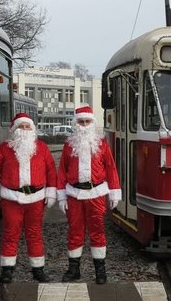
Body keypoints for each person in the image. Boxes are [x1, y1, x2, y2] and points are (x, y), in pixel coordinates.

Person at [0, 113, 57, 283]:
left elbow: (51, 170)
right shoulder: (5, 148)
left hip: (36, 198)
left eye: (27, 127)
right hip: (11, 199)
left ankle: (38, 269)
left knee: (35, 233)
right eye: (21, 127)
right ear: (14, 129)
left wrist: (51, 191)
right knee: (11, 233)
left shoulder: (41, 147)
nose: (24, 130)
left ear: (32, 129)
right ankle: (7, 270)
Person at [57, 106, 121, 284]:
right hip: (74, 194)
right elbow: (62, 170)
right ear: (75, 123)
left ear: (92, 123)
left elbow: (110, 168)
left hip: (96, 194)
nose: (84, 125)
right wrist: (61, 195)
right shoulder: (69, 145)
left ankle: (100, 271)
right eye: (81, 121)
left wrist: (114, 192)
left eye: (87, 122)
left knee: (97, 231)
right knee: (75, 232)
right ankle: (73, 270)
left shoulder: (101, 144)